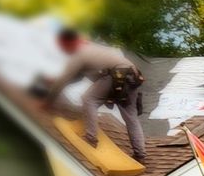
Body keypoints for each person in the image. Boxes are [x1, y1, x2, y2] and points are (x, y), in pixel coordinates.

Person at [40, 28, 148, 164]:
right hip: (133, 76)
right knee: (131, 116)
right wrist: (55, 80)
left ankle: (91, 138)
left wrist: (48, 102)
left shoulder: (79, 53)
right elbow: (76, 77)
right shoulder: (92, 49)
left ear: (68, 42)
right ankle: (140, 155)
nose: (63, 50)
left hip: (117, 74)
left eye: (62, 46)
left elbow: (63, 80)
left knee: (89, 99)